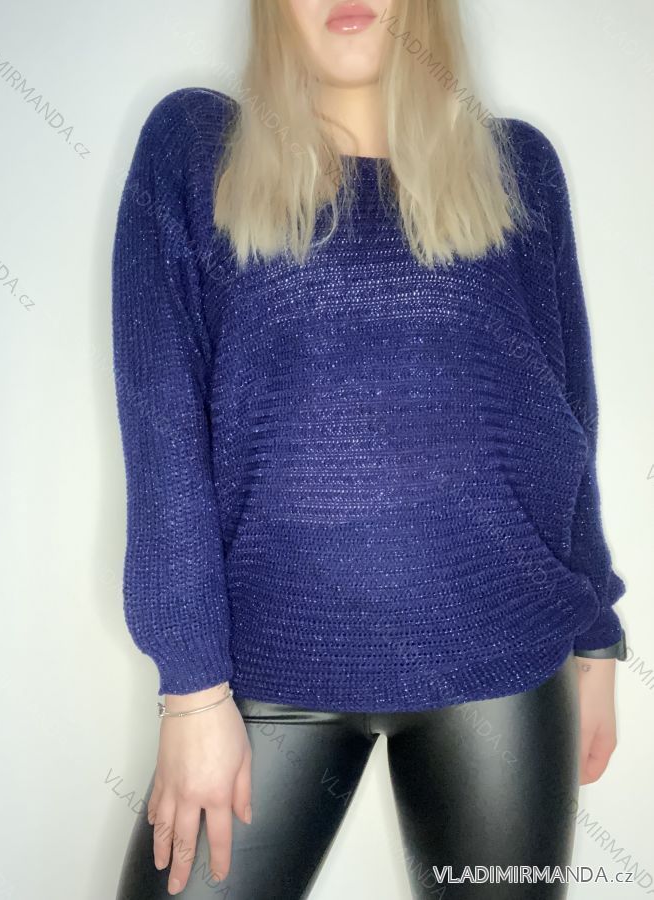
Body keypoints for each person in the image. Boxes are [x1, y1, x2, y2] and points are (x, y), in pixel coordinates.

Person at [111, 1, 628, 897]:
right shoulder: (196, 150)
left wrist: (595, 640)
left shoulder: (518, 170)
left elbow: (565, 418)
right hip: (259, 675)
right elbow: (161, 431)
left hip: (504, 669)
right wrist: (190, 691)